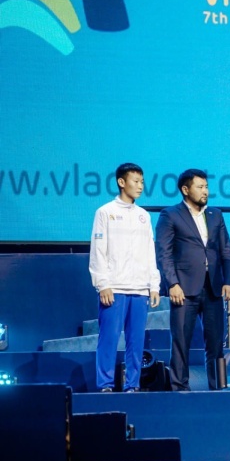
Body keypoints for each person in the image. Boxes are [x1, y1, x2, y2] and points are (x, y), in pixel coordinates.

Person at [155, 169, 230, 391]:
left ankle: (217, 387)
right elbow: (164, 253)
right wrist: (172, 283)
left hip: (213, 287)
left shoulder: (216, 215)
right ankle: (180, 387)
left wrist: (228, 281)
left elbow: (226, 251)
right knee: (181, 341)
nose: (205, 191)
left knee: (216, 343)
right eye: (200, 187)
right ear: (185, 189)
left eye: (206, 187)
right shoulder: (170, 215)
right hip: (184, 288)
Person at [89, 163, 161, 393]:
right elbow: (98, 250)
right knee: (109, 338)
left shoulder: (143, 216)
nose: (140, 186)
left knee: (136, 341)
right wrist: (103, 284)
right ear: (122, 182)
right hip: (114, 287)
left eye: (142, 182)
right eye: (135, 181)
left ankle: (133, 385)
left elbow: (150, 252)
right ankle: (105, 385)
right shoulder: (105, 212)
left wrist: (154, 285)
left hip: (139, 288)